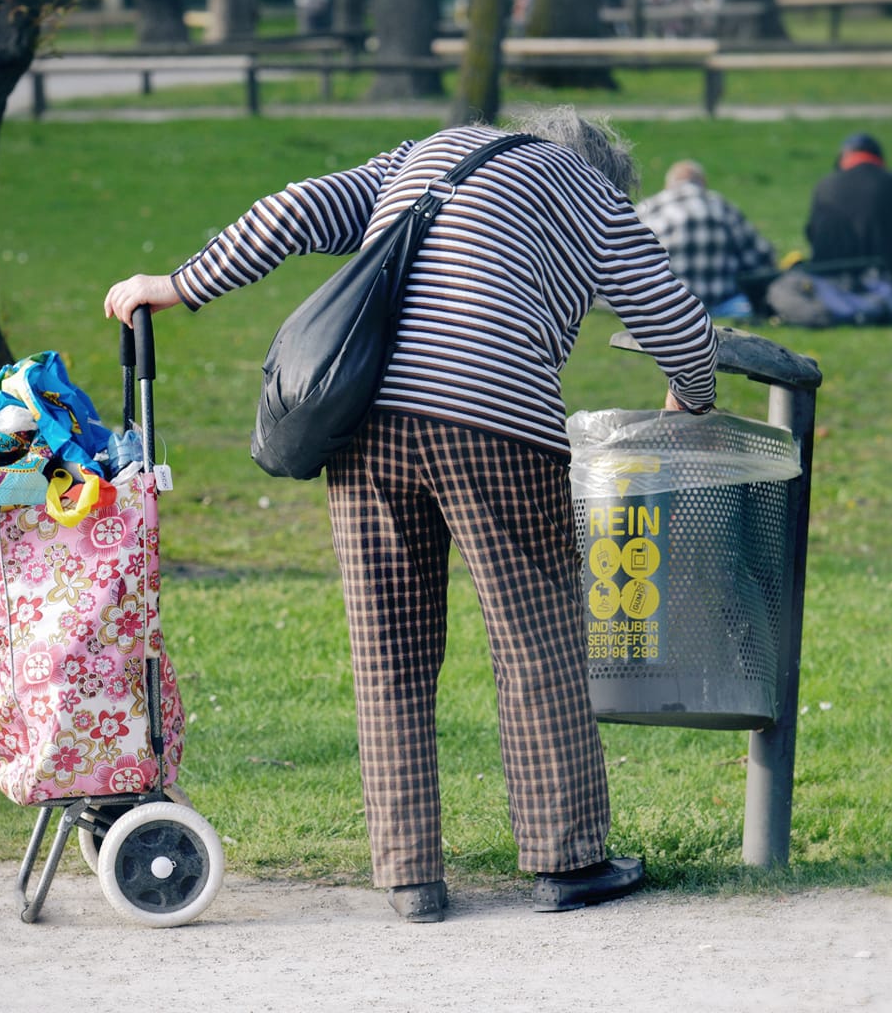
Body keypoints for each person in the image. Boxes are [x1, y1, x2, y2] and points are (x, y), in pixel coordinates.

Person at [101, 109, 719, 923]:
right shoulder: (594, 196)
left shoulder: (426, 154)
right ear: (606, 170)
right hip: (496, 426)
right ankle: (568, 864)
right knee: (536, 643)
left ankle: (411, 880)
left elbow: (295, 208)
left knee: (388, 650)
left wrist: (177, 286)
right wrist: (689, 399)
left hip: (365, 427)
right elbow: (678, 323)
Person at [636, 160, 776, 318]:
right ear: (703, 182)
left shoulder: (650, 207)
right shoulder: (722, 205)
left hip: (667, 305)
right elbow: (758, 257)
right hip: (721, 304)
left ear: (668, 185)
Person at [803, 132, 892, 289]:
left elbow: (812, 235)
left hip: (830, 283)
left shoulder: (824, 187)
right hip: (891, 281)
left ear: (842, 158)